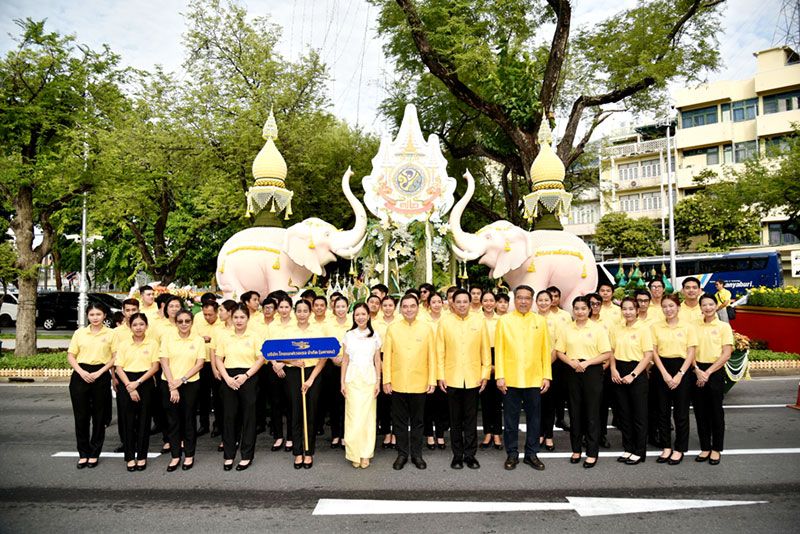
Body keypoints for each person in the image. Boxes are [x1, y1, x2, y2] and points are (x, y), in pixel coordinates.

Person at [494, 285, 552, 471]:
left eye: (527, 298)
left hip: (534, 378)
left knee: (534, 419)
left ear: (532, 300)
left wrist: (546, 376)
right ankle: (512, 453)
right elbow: (499, 351)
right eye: (520, 297)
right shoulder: (504, 321)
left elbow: (545, 350)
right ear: (514, 300)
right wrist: (500, 376)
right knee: (510, 420)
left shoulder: (540, 321)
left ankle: (531, 454)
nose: (523, 301)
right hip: (510, 379)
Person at [436, 289, 491, 469]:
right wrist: (440, 376)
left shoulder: (479, 321)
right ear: (452, 303)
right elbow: (440, 352)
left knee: (471, 419)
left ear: (470, 303)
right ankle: (457, 455)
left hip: (474, 377)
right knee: (455, 420)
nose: (461, 305)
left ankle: (470, 455)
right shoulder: (444, 322)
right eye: (458, 302)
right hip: (452, 378)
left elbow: (485, 351)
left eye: (464, 302)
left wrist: (485, 375)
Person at [555, 296, 612, 468]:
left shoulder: (598, 329)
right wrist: (571, 362)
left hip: (592, 370)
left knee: (592, 413)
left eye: (583, 308)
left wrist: (587, 363)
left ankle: (592, 452)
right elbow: (559, 351)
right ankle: (576, 449)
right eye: (577, 308)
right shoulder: (566, 329)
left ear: (589, 310)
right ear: (573, 310)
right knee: (574, 411)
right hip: (572, 371)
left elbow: (606, 353)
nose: (580, 311)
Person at [383, 294, 436, 470]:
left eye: (412, 306)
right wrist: (387, 380)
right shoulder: (393, 328)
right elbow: (388, 357)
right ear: (401, 309)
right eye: (405, 307)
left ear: (418, 308)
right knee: (399, 422)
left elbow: (432, 357)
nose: (408, 310)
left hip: (419, 382)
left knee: (418, 421)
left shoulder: (427, 329)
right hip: (397, 382)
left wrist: (432, 380)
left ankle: (417, 454)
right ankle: (402, 454)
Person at [215, 304, 265, 471]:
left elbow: (260, 359)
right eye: (236, 317)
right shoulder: (224, 336)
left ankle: (246, 455)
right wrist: (227, 378)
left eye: (242, 317)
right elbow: (218, 359)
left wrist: (246, 376)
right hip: (228, 378)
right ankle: (229, 455)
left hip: (248, 377)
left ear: (247, 319)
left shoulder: (254, 336)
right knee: (229, 417)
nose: (238, 320)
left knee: (248, 418)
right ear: (232, 318)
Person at [651, 293, 698, 465]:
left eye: (671, 306)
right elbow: (654, 351)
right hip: (661, 369)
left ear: (678, 307)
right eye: (664, 307)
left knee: (681, 413)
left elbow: (691, 352)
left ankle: (679, 448)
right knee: (662, 412)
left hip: (682, 371)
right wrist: (663, 373)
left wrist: (679, 374)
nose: (668, 309)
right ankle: (666, 447)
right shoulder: (656, 327)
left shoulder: (688, 327)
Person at [282, 299, 328, 469]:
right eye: (299, 311)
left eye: (305, 311)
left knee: (311, 412)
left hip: (313, 374)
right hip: (294, 373)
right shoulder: (288, 331)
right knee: (295, 412)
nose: (302, 314)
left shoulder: (318, 330)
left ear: (310, 312)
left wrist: (310, 380)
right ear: (295, 312)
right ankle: (297, 451)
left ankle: (308, 452)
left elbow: (323, 357)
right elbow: (277, 354)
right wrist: (293, 361)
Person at [67, 303, 115, 469]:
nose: (95, 317)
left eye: (98, 314)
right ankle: (83, 453)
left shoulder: (111, 334)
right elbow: (71, 356)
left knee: (99, 417)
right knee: (81, 417)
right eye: (92, 314)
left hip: (100, 375)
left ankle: (95, 453)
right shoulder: (80, 333)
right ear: (87, 316)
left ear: (104, 316)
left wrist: (99, 372)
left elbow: (115, 357)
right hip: (81, 375)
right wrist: (81, 372)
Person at [158, 309, 205, 471]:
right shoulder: (168, 338)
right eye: (180, 321)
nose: (184, 324)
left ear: (192, 322)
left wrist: (182, 380)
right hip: (169, 383)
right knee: (172, 421)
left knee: (189, 421)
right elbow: (164, 362)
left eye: (187, 321)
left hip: (190, 384)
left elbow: (199, 364)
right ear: (176, 322)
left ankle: (189, 455)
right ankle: (175, 455)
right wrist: (173, 385)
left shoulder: (198, 340)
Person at [609, 297, 653, 465]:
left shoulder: (643, 329)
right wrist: (613, 369)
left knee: (639, 414)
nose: (627, 312)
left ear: (637, 310)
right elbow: (611, 350)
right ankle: (628, 448)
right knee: (624, 414)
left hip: (637, 373)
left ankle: (639, 451)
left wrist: (633, 375)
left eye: (630, 309)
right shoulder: (616, 328)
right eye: (624, 309)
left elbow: (648, 355)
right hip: (619, 372)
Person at [115, 312, 160, 471]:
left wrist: (138, 383)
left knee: (144, 421)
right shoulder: (124, 344)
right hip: (126, 381)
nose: (138, 327)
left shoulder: (153, 343)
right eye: (135, 325)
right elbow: (118, 367)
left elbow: (155, 366)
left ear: (146, 326)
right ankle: (129, 457)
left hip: (145, 382)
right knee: (128, 422)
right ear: (129, 326)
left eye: (141, 324)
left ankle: (141, 456)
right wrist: (129, 385)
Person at [692, 293, 734, 465]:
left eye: (711, 304)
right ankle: (705, 447)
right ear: (700, 307)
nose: (708, 308)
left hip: (714, 372)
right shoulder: (694, 326)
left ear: (716, 306)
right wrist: (696, 370)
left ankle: (716, 448)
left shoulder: (723, 327)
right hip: (696, 371)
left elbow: (727, 353)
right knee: (700, 412)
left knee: (716, 411)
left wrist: (707, 373)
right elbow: (690, 351)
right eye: (704, 305)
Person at [341, 303, 382, 468]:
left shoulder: (375, 336)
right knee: (352, 417)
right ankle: (353, 453)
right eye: (357, 314)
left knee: (368, 418)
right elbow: (344, 360)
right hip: (352, 380)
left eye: (363, 314)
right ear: (354, 317)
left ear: (368, 316)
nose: (360, 317)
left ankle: (366, 453)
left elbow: (377, 360)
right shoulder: (348, 335)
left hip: (369, 380)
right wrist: (342, 382)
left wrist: (378, 381)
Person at [265, 296, 296, 452]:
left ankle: (290, 437)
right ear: (277, 309)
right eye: (281, 307)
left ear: (291, 308)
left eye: (286, 307)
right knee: (275, 403)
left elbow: (297, 348)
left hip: (291, 368)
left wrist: (284, 363)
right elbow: (268, 347)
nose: (284, 310)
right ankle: (278, 436)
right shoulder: (272, 325)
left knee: (291, 403)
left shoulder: (296, 325)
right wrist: (275, 364)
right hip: (274, 367)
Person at [322, 295, 350, 449]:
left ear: (347, 307)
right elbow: (324, 343)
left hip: (350, 365)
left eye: (343, 306)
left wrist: (346, 358)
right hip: (332, 366)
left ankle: (346, 434)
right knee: (334, 402)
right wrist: (333, 357)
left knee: (347, 401)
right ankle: (335, 435)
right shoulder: (328, 324)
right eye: (337, 307)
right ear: (334, 308)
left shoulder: (353, 322)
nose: (340, 310)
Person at [192, 300, 222, 438]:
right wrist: (200, 338)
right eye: (205, 314)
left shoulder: (222, 321)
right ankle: (203, 424)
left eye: (210, 314)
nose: (207, 317)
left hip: (216, 363)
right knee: (202, 395)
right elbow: (192, 336)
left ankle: (218, 424)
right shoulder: (198, 319)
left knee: (218, 396)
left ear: (216, 312)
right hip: (201, 362)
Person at [536, 290, 560, 452]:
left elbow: (558, 347)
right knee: (536, 403)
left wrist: (546, 365)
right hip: (533, 367)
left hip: (552, 365)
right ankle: (539, 433)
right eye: (541, 300)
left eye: (546, 300)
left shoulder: (558, 321)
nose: (543, 303)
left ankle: (549, 435)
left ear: (551, 301)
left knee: (550, 403)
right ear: (536, 302)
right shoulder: (532, 319)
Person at [546, 285, 572, 432]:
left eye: (556, 296)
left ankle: (560, 418)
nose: (554, 299)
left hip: (562, 357)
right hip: (546, 358)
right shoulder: (542, 315)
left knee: (561, 390)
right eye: (551, 296)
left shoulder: (566, 315)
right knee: (548, 390)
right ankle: (547, 420)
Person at [480, 290, 503, 450]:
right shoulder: (476, 320)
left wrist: (497, 365)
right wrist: (486, 365)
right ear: (481, 303)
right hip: (481, 358)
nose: (488, 303)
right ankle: (487, 432)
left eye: (491, 300)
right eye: (485, 300)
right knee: (485, 399)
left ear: (495, 303)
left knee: (498, 399)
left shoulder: (502, 320)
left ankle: (497, 434)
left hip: (499, 357)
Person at [374, 296, 397, 449]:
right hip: (379, 359)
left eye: (391, 305)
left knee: (397, 401)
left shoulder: (401, 321)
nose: (388, 308)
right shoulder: (375, 323)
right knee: (383, 401)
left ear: (395, 307)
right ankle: (387, 433)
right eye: (385, 305)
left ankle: (396, 433)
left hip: (398, 361)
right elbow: (373, 347)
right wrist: (381, 365)